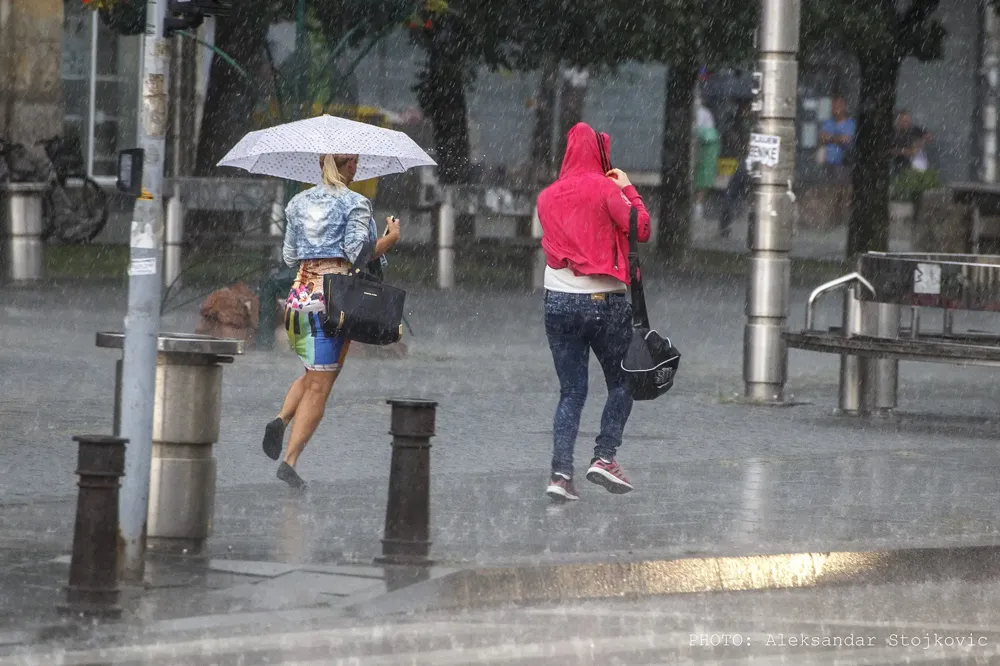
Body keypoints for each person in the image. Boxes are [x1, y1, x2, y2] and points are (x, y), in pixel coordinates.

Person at [261, 153, 401, 490]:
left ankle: (281, 419)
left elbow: (290, 256)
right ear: (344, 165)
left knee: (313, 375)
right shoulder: (355, 203)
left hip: (297, 301)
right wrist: (390, 238)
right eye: (353, 162)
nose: (357, 167)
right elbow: (359, 254)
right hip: (332, 305)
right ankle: (290, 463)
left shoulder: (297, 202)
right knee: (320, 388)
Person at [536, 122, 652, 502]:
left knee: (571, 391)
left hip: (557, 302)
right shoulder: (606, 189)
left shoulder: (547, 196)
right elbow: (642, 227)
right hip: (605, 302)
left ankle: (560, 474)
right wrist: (627, 187)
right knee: (623, 382)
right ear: (600, 154)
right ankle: (604, 457)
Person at [818, 96, 856, 226]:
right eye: (834, 106)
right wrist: (838, 138)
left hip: (843, 163)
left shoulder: (851, 123)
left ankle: (840, 216)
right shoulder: (828, 123)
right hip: (829, 162)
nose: (835, 109)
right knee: (831, 191)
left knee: (842, 190)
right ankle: (833, 217)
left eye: (838, 106)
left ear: (844, 107)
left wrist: (832, 138)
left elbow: (847, 139)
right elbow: (823, 137)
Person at [893, 110, 932, 175]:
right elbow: (888, 150)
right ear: (898, 121)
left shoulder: (915, 129)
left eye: (908, 121)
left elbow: (929, 138)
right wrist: (902, 151)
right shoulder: (893, 133)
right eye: (904, 121)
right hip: (901, 164)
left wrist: (923, 140)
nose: (907, 123)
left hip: (918, 162)